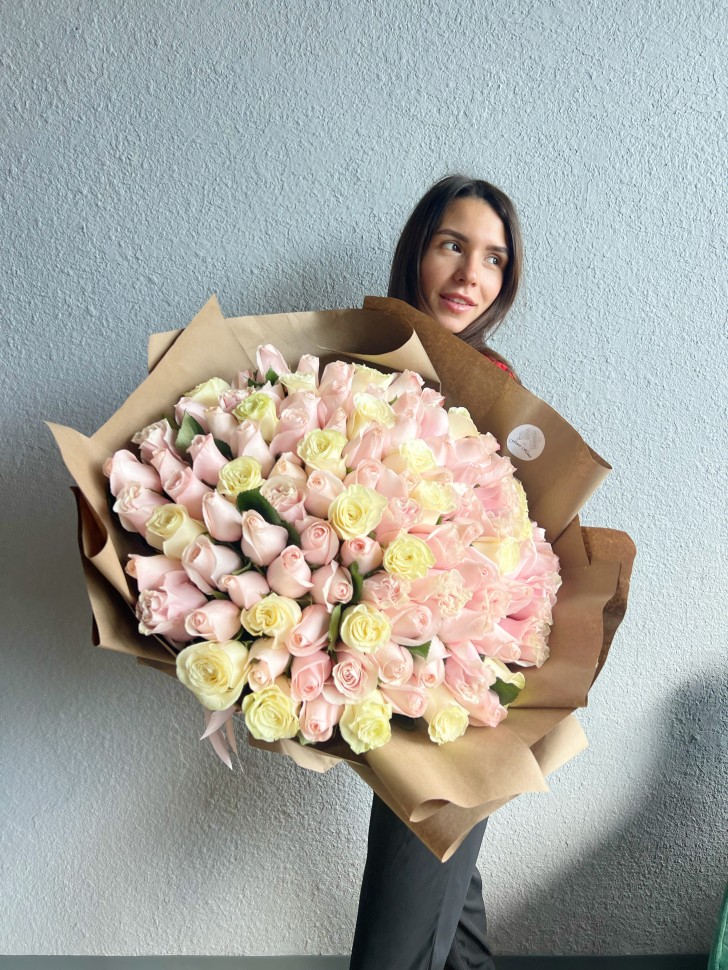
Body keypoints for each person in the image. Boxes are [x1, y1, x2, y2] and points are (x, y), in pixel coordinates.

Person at [349, 174, 524, 970]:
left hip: (467, 677)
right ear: (418, 249)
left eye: (492, 259)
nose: (469, 275)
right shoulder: (354, 366)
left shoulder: (499, 391)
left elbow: (514, 540)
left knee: (397, 940)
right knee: (450, 920)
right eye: (453, 245)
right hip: (388, 672)